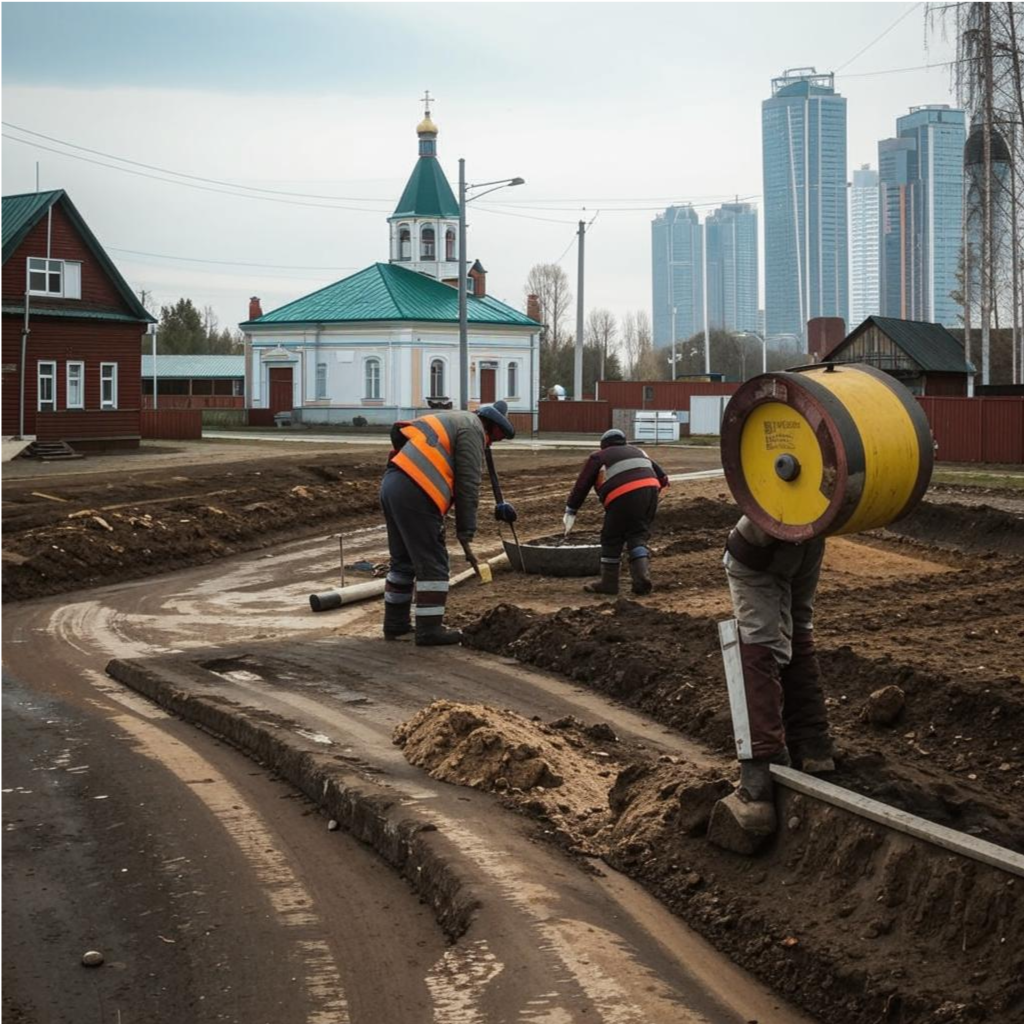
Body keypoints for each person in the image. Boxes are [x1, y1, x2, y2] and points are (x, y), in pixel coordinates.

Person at [709, 514, 835, 851]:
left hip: (756, 546)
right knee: (799, 628)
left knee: (756, 646)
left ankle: (756, 788)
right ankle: (814, 749)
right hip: (809, 536)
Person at [380, 400, 517, 646]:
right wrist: (466, 531)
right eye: (498, 438)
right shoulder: (473, 429)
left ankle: (396, 625)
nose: (494, 443)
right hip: (417, 490)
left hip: (392, 482)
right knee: (434, 563)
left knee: (403, 562)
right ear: (494, 427)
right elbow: (468, 483)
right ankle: (429, 631)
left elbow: (396, 431)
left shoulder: (455, 419)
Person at [562, 428, 669, 596]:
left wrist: (571, 509)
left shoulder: (598, 456)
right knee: (637, 535)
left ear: (603, 445)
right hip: (650, 492)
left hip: (622, 496)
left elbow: (582, 485)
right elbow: (663, 478)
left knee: (611, 537)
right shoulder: (638, 451)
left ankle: (609, 583)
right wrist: (652, 498)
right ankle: (641, 577)